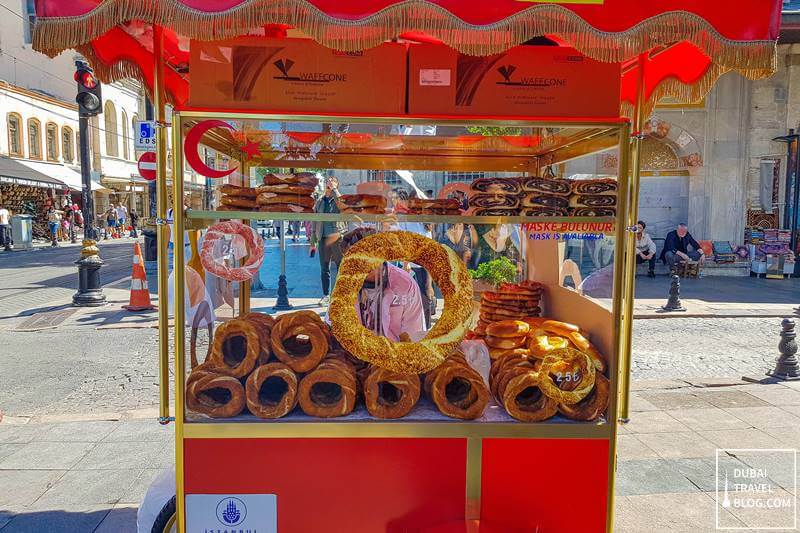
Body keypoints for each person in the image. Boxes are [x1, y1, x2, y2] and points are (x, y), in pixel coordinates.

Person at [339, 227, 425, 341]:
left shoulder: (405, 285)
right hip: (353, 355)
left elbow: (414, 335)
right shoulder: (345, 282)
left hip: (396, 355)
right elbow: (335, 326)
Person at [311, 176, 346, 306]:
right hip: (323, 239)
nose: (329, 182)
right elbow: (315, 221)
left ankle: (340, 295)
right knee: (324, 268)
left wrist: (335, 189)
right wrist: (312, 241)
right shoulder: (320, 201)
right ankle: (326, 295)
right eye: (328, 181)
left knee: (340, 267)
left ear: (337, 184)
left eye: (333, 181)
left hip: (337, 238)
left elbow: (343, 205)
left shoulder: (338, 199)